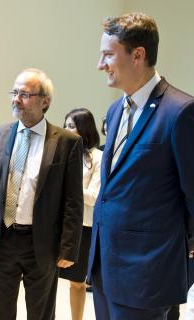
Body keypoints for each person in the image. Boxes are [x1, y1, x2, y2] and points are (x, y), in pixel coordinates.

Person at [87, 12, 194, 320]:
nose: (100, 64)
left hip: (148, 274)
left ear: (138, 55)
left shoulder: (180, 112)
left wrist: (173, 251)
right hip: (105, 268)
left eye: (108, 55)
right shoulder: (116, 109)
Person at [0, 68, 84, 320]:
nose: (16, 99)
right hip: (3, 238)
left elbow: (73, 201)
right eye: (14, 92)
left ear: (45, 101)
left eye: (24, 94)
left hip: (43, 242)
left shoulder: (67, 142)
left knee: (41, 311)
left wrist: (69, 247)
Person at [61, 108, 102, 320]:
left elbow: (94, 197)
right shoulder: (61, 153)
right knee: (46, 278)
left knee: (77, 282)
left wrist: (69, 185)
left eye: (71, 126)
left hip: (83, 227)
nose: (65, 130)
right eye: (65, 125)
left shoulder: (97, 157)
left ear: (84, 128)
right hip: (57, 224)